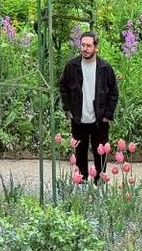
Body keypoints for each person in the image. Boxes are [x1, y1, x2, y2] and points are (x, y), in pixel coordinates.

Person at [58, 31, 119, 183]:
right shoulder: (72, 66)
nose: (85, 49)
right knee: (80, 155)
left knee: (100, 156)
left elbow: (114, 92)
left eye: (89, 46)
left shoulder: (105, 67)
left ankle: (99, 186)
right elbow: (63, 87)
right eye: (83, 45)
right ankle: (82, 184)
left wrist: (107, 115)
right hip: (78, 118)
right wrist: (69, 109)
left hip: (99, 119)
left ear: (96, 47)